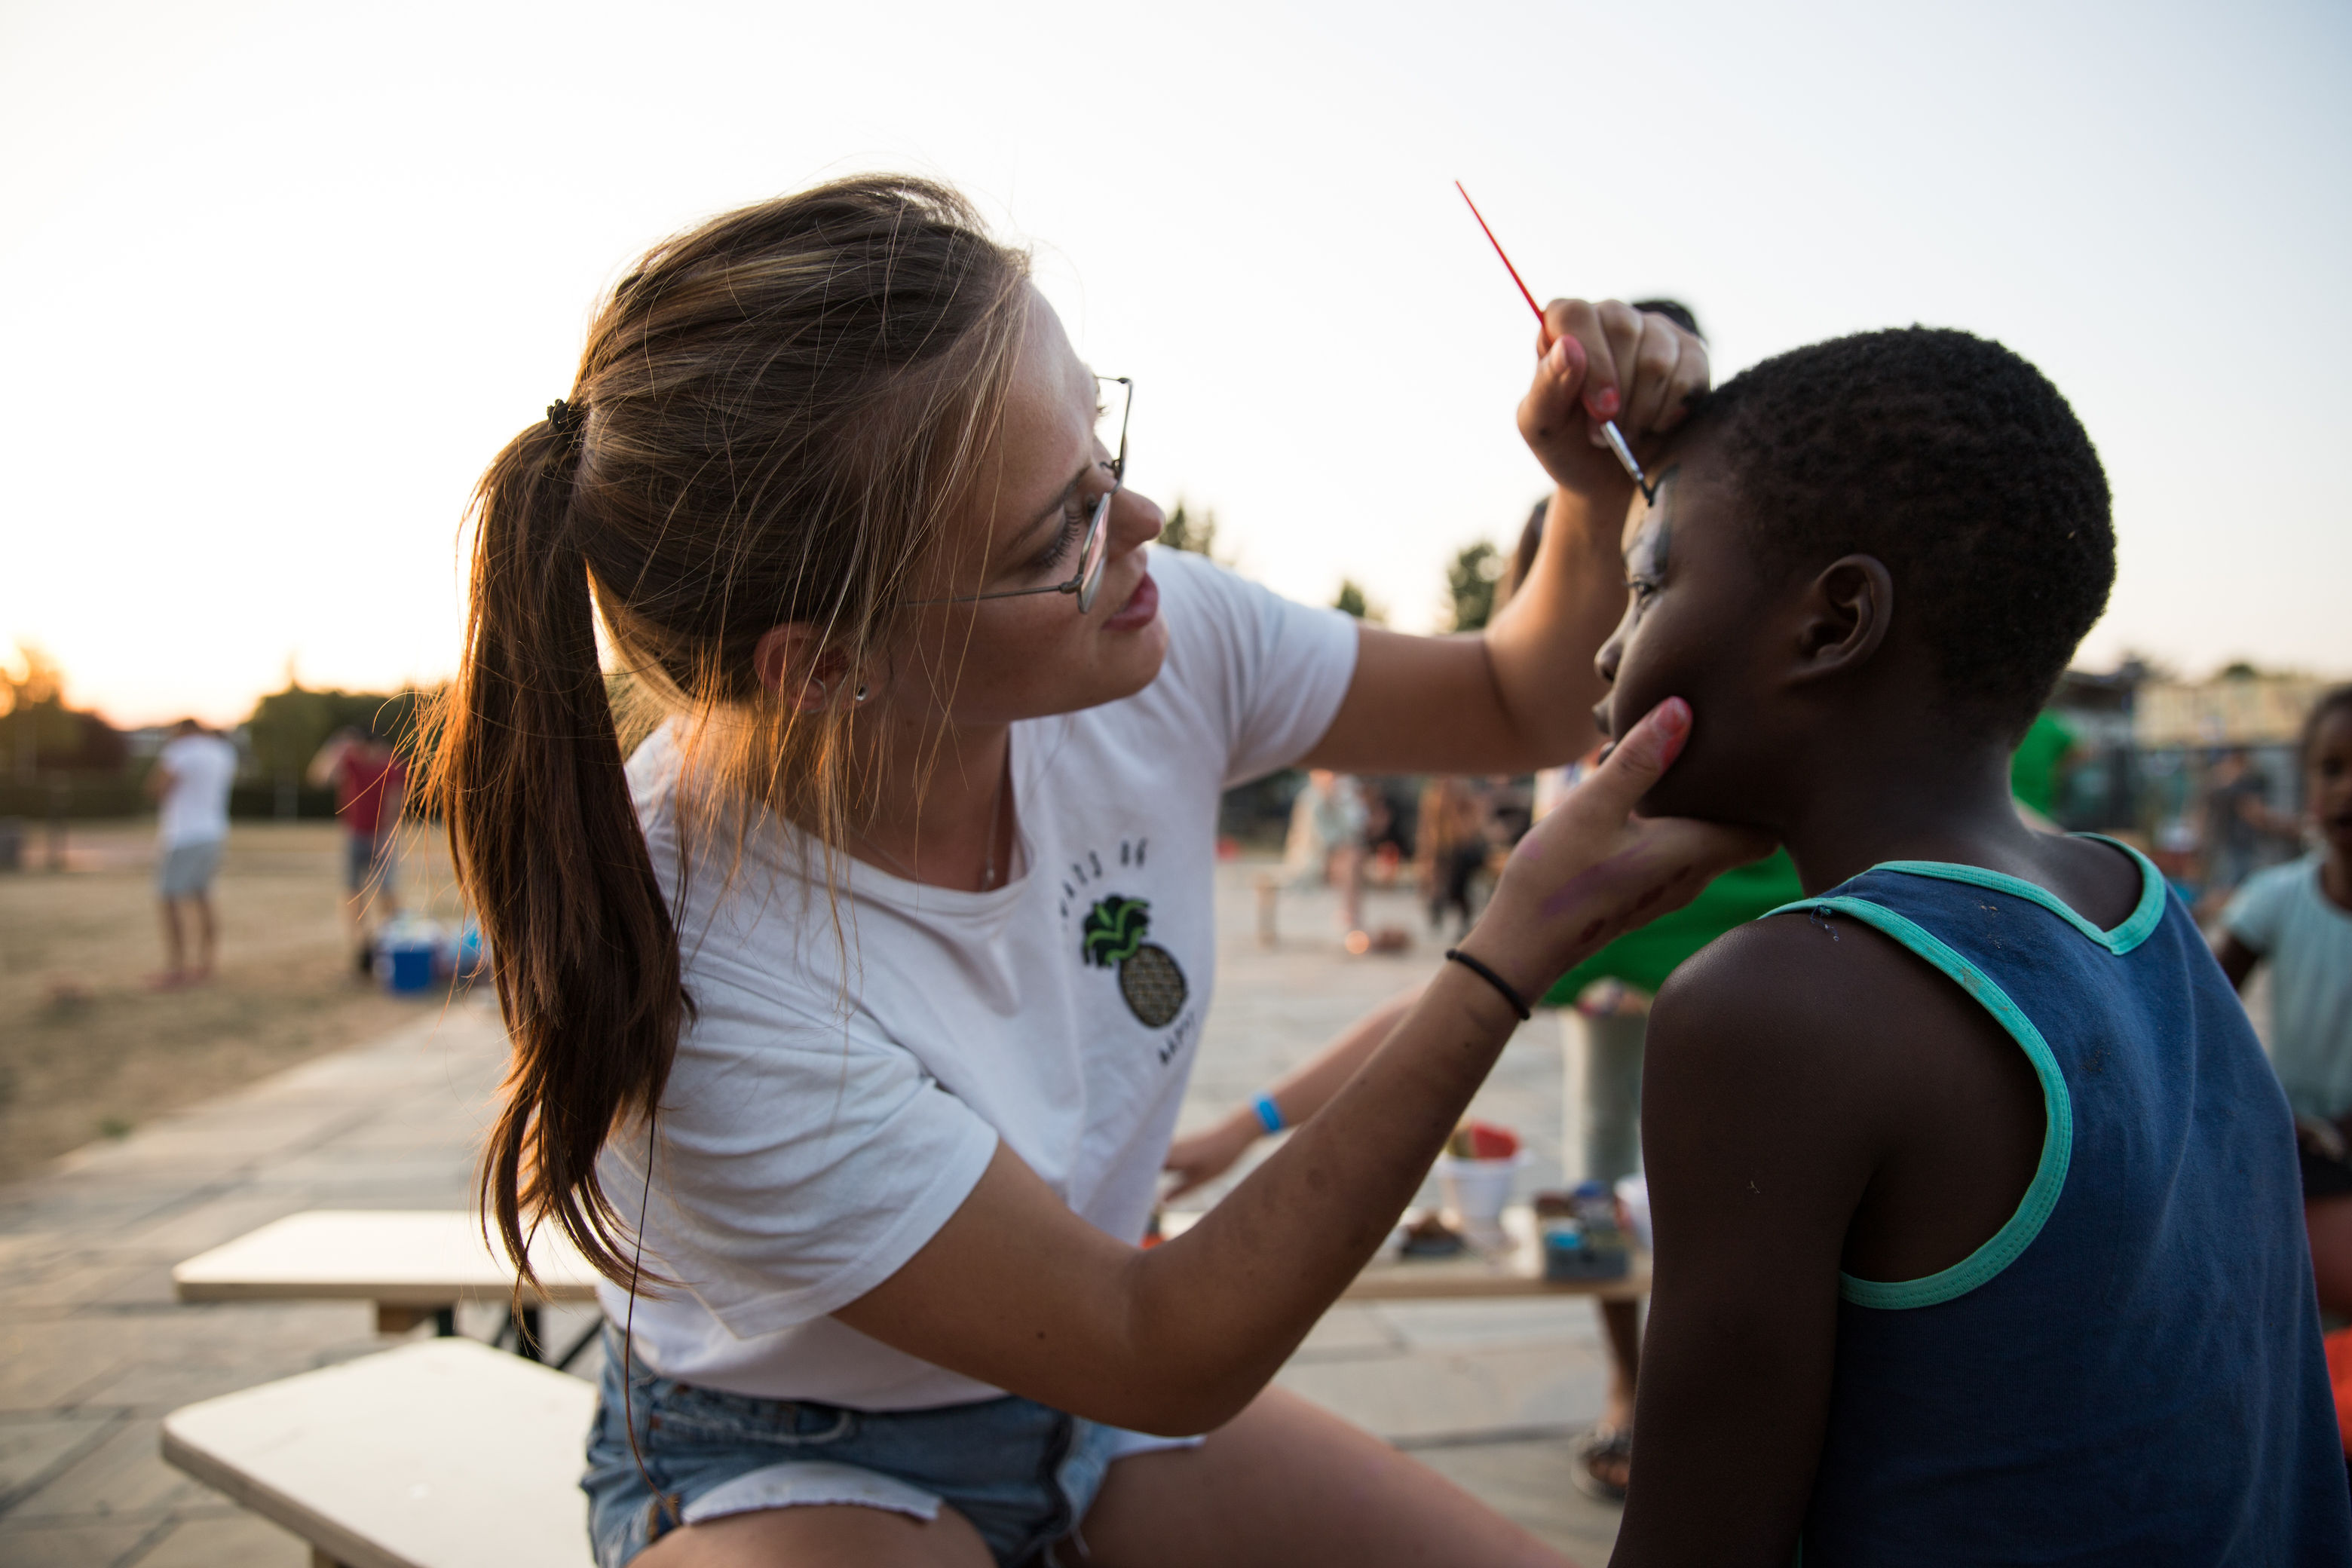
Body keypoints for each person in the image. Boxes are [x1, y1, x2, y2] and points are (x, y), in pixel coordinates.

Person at [426, 176, 1760, 1568]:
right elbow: (1154, 1347)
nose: (1144, 520)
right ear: (825, 665)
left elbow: (1513, 700)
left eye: (1103, 444)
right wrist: (1503, 960)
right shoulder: (698, 964)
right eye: (1059, 527)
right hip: (788, 1459)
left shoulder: (1149, 634)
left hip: (1091, 1414)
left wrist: (1588, 483)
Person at [1578, 326, 2350, 1563]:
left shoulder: (1780, 1008)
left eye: (1650, 584)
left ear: (1834, 624)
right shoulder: (2140, 907)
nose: (1608, 649)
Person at [2217, 686, 2352, 1317]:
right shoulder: (2277, 897)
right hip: (2295, 1149)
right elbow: (2199, 1014)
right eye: (2332, 768)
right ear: (2308, 787)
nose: (2348, 786)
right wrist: (2254, 1111)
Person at [308, 720, 409, 974]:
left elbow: (395, 801)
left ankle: (391, 942)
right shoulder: (351, 761)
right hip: (354, 835)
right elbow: (319, 778)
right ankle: (362, 946)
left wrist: (385, 836)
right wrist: (336, 748)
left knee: (387, 892)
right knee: (354, 893)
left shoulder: (390, 764)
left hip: (381, 836)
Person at [145, 718, 238, 987]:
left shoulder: (180, 751)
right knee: (204, 896)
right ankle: (207, 963)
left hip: (183, 835)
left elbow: (158, 788)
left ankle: (176, 968)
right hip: (215, 832)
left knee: (169, 898)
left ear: (182, 731)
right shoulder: (222, 752)